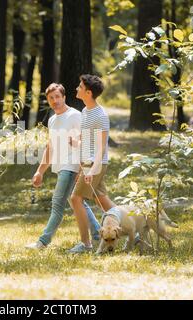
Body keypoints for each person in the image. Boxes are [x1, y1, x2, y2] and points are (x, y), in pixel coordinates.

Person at [25, 83, 101, 250]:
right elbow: (50, 148)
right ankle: (98, 234)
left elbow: (87, 142)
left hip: (72, 166)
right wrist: (40, 171)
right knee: (78, 203)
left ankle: (42, 242)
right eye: (51, 98)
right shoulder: (52, 120)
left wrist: (84, 168)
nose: (55, 101)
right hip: (61, 167)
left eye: (57, 97)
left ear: (64, 97)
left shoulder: (74, 115)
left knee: (57, 203)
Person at [68, 74, 117, 254]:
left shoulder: (100, 115)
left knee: (75, 199)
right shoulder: (85, 111)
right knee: (101, 199)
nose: (77, 89)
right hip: (87, 162)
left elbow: (101, 148)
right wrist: (77, 141)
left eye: (80, 87)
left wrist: (91, 170)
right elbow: (88, 139)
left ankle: (86, 244)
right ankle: (131, 233)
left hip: (94, 164)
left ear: (88, 92)